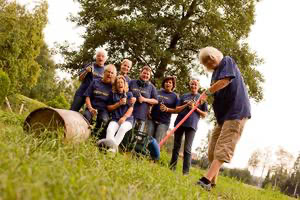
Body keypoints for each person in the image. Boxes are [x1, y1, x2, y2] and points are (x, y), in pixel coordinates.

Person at [196, 47, 251, 191]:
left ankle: (205, 180)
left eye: (210, 57)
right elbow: (217, 93)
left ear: (216, 55)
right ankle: (213, 182)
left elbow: (226, 81)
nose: (209, 60)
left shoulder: (227, 61)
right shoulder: (214, 75)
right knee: (212, 148)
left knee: (224, 146)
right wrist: (203, 99)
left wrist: (206, 93)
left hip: (236, 112)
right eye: (205, 61)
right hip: (223, 117)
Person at [169, 79, 208, 175]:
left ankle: (185, 173)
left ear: (198, 86)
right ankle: (171, 168)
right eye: (192, 84)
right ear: (190, 85)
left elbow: (204, 114)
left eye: (195, 84)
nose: (193, 86)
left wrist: (195, 108)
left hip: (191, 125)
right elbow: (177, 109)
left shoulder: (201, 98)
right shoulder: (184, 96)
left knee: (187, 149)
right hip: (180, 123)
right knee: (176, 147)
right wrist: (186, 104)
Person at [83, 64, 117, 137]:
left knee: (104, 120)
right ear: (104, 72)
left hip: (103, 110)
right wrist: (90, 108)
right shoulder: (95, 82)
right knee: (86, 116)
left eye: (112, 73)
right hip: (92, 107)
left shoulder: (113, 87)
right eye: (108, 72)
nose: (110, 74)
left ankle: (94, 137)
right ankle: (84, 135)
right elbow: (87, 96)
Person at [104, 75, 135, 151]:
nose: (120, 84)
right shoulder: (112, 94)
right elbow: (109, 107)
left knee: (122, 128)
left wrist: (124, 117)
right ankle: (111, 148)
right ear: (115, 85)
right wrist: (119, 104)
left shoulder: (129, 94)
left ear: (124, 84)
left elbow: (131, 108)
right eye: (118, 83)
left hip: (128, 119)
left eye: (122, 82)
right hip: (115, 118)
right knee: (110, 129)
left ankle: (112, 150)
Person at [147, 76, 180, 143]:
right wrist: (148, 111)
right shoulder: (157, 92)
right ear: (164, 83)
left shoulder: (175, 96)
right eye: (166, 82)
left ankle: (153, 153)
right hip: (152, 119)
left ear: (173, 85)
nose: (168, 84)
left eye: (170, 83)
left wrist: (167, 109)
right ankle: (143, 153)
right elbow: (151, 102)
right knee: (148, 139)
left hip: (163, 122)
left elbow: (177, 110)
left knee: (156, 141)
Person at [129, 66, 158, 131]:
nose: (145, 75)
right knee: (127, 135)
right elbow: (125, 92)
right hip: (129, 114)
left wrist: (144, 99)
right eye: (144, 73)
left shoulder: (152, 87)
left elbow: (156, 101)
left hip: (142, 116)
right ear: (140, 73)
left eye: (147, 74)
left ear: (150, 76)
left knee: (137, 137)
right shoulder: (132, 82)